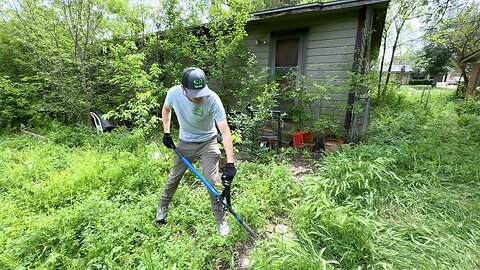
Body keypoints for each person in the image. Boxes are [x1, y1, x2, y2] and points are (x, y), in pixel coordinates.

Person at [155, 67, 237, 236]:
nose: (199, 96)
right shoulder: (174, 93)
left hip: (208, 142)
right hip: (185, 142)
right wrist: (166, 132)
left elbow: (225, 131)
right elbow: (166, 109)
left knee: (211, 182)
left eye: (201, 92)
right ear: (183, 88)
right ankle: (163, 206)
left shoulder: (212, 99)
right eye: (194, 93)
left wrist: (230, 163)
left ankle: (221, 221)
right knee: (174, 178)